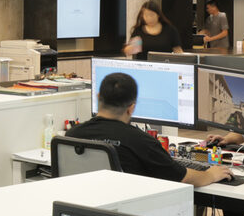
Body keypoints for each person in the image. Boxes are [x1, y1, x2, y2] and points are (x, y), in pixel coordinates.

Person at [66, 73, 232, 186]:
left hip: (81, 213)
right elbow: (182, 177)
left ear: (98, 98)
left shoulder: (72, 135)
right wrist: (210, 175)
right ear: (131, 108)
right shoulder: (141, 141)